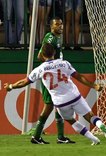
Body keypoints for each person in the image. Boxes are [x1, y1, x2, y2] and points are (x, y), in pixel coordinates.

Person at [4, 43, 106, 145]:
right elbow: (78, 76)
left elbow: (24, 82)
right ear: (54, 53)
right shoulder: (64, 63)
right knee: (90, 116)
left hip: (60, 102)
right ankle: (100, 125)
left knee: (71, 120)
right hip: (74, 96)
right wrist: (94, 86)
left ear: (42, 55)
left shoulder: (40, 69)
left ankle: (94, 139)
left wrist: (11, 86)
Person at [27, 16, 72, 144]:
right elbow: (40, 55)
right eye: (57, 24)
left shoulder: (57, 38)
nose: (60, 26)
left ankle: (61, 137)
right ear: (51, 26)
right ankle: (36, 136)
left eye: (61, 24)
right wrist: (51, 66)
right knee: (49, 106)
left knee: (59, 104)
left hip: (56, 76)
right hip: (50, 77)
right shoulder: (50, 37)